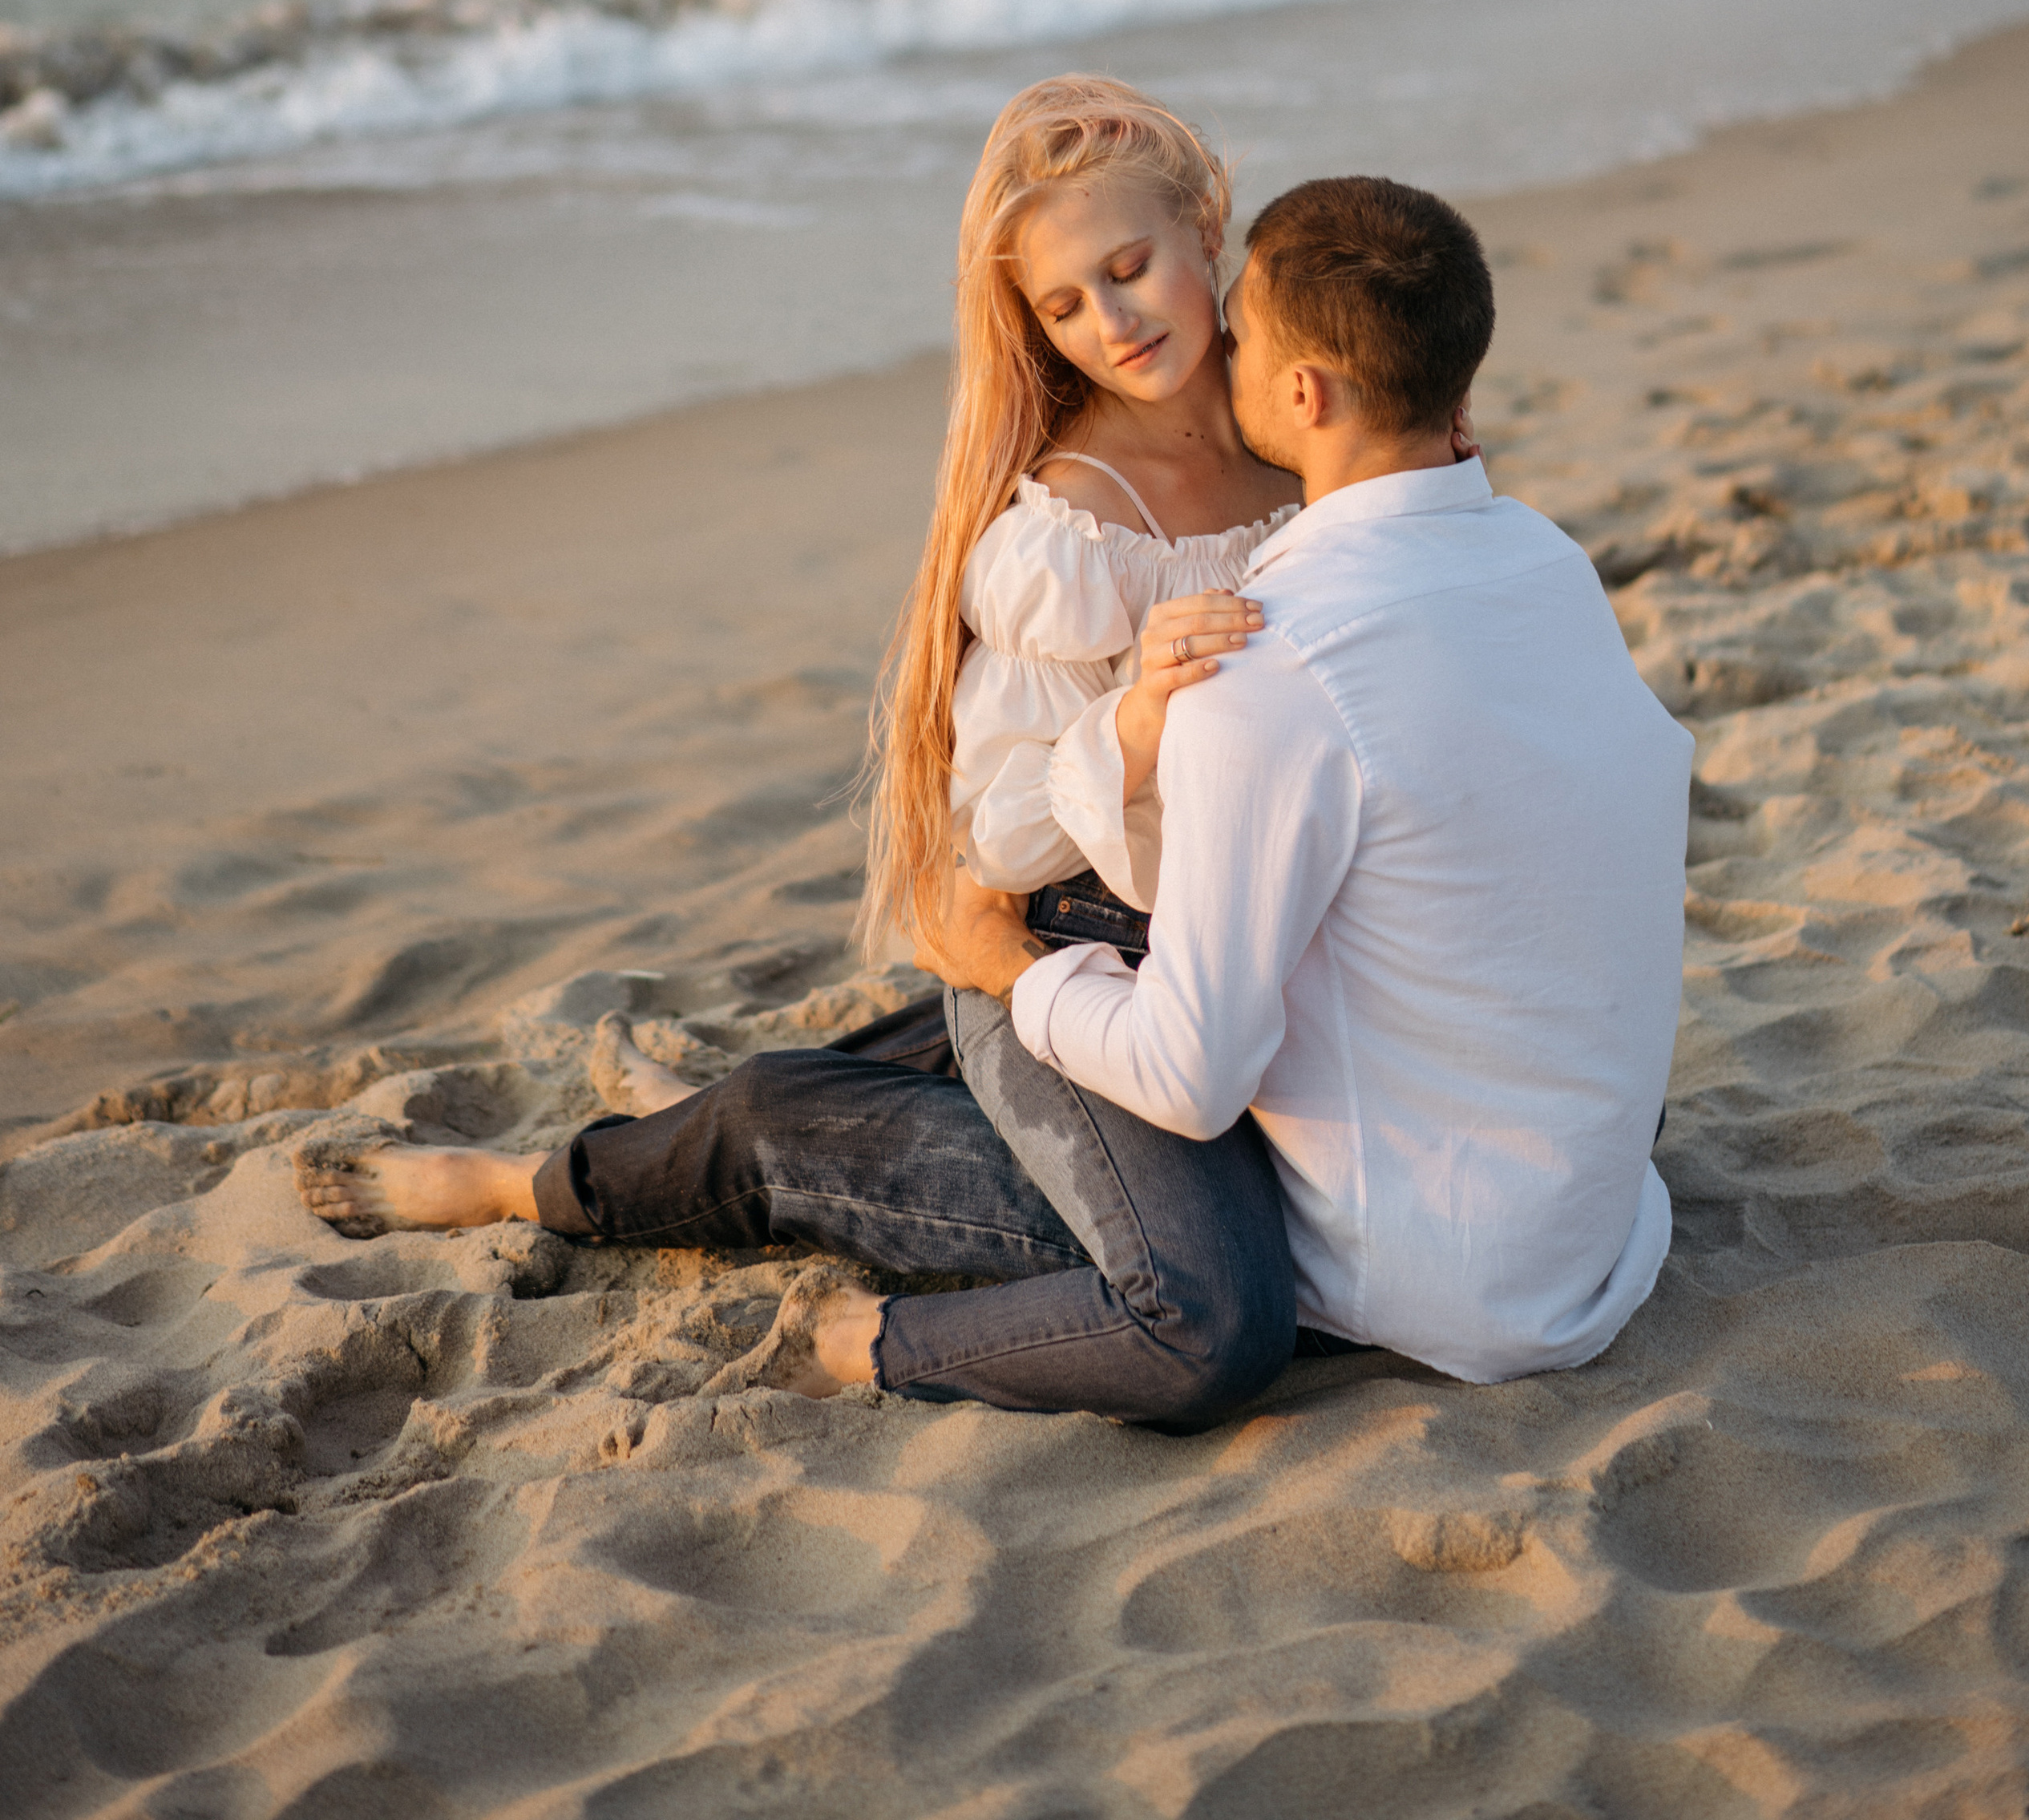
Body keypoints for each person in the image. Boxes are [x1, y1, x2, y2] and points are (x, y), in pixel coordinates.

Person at [297, 136, 1690, 1410]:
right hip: (1101, 930)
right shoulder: (1492, 561)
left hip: (1241, 1017)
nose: (1122, 319)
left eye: (1146, 272)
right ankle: (568, 1177)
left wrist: (1022, 970)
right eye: (1067, 303)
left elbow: (1215, 1041)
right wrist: (1027, 914)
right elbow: (1015, 853)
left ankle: (731, 1160)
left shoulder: (1341, 579)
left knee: (1184, 1263)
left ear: (1269, 331)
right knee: (1122, 1216)